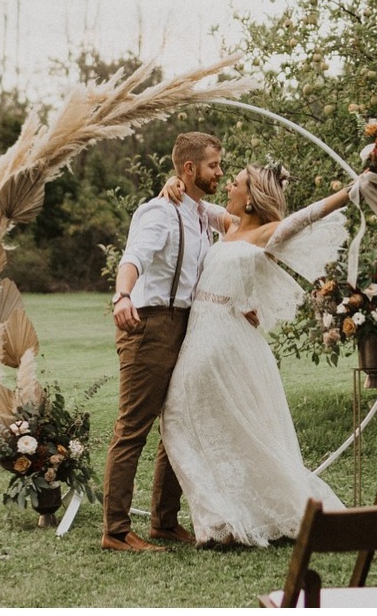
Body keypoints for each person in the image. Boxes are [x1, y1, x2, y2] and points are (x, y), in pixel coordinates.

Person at [159, 161, 362, 548]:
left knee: (182, 415)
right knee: (187, 418)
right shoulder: (230, 226)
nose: (228, 188)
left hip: (222, 336)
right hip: (202, 328)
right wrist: (174, 182)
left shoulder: (267, 234)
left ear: (250, 199)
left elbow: (308, 215)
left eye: (234, 184)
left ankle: (224, 520)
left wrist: (352, 190)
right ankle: (220, 517)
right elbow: (193, 203)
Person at [103, 131, 249, 553]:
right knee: (134, 427)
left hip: (190, 324)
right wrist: (122, 295)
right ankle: (115, 531)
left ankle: (165, 522)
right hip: (150, 325)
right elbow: (133, 258)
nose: (220, 172)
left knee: (179, 422)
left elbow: (245, 226)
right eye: (213, 166)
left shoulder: (202, 212)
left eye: (221, 166)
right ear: (189, 169)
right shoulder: (159, 212)